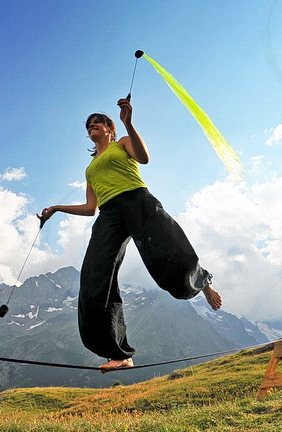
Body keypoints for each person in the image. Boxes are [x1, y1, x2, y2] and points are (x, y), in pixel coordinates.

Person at [38, 98, 222, 373]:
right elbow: (91, 208)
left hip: (137, 200)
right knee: (94, 276)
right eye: (88, 125)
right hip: (109, 215)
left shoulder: (121, 143)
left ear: (109, 127)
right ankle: (120, 354)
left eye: (97, 122)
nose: (92, 127)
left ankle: (203, 281)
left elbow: (144, 158)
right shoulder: (90, 169)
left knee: (167, 248)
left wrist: (129, 123)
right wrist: (56, 208)